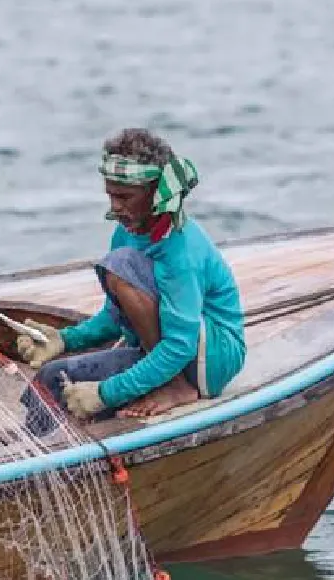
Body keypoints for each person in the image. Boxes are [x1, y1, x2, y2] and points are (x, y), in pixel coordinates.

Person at [17, 129, 246, 433]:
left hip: (210, 357)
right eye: (111, 196)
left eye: (124, 197)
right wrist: (64, 340)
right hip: (164, 348)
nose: (114, 207)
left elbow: (180, 346)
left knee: (120, 264)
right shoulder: (127, 231)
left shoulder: (181, 249)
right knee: (53, 377)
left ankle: (176, 387)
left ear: (155, 193)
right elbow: (114, 317)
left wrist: (105, 393)